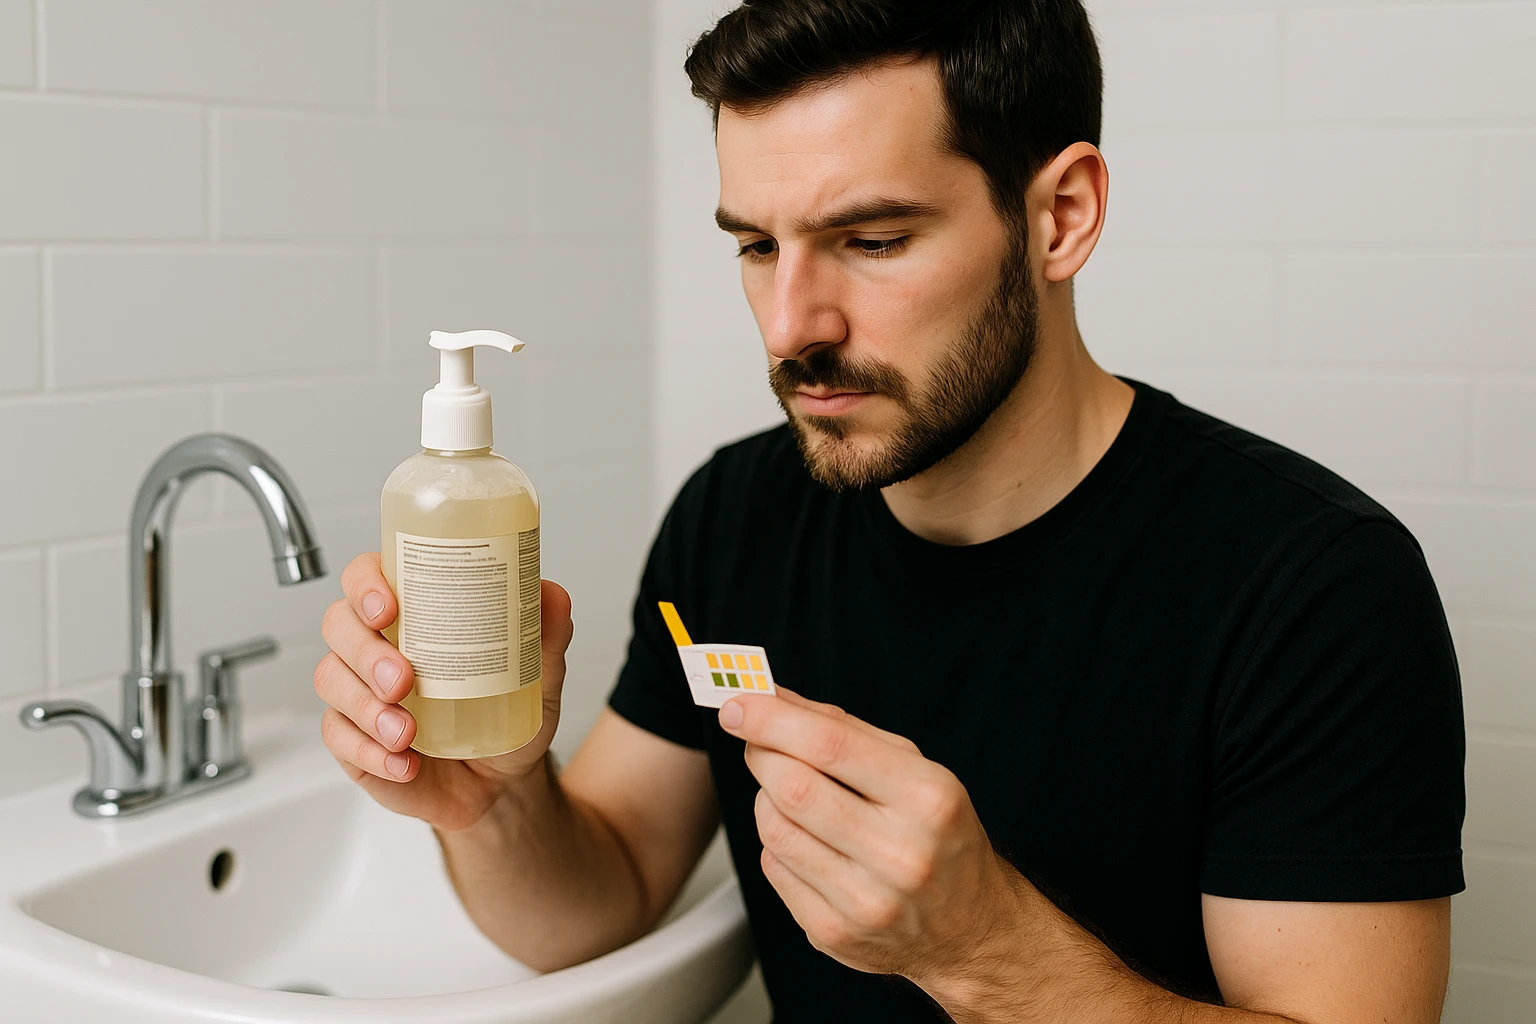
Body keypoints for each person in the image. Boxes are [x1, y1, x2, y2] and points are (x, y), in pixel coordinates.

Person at [314, 2, 1466, 1021]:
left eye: (871, 241)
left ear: (1060, 215)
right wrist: (494, 802)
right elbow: (599, 903)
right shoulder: (734, 512)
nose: (788, 326)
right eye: (759, 247)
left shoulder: (1315, 585)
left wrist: (986, 952)